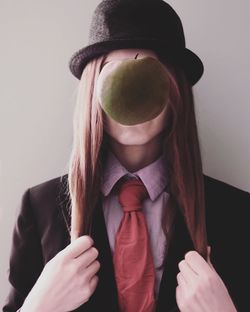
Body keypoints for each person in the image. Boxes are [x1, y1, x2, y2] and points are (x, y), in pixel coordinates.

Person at [2, 0, 250, 311]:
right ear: (93, 89)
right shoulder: (40, 210)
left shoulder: (238, 215)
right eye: (114, 74)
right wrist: (39, 306)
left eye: (148, 74)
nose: (132, 93)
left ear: (176, 89)